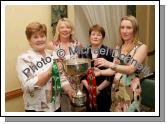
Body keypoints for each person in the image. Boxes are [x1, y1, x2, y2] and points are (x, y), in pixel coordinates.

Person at [94, 15, 148, 112]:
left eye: (128, 28)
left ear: (135, 30)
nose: (125, 31)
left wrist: (109, 64)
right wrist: (100, 72)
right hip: (116, 90)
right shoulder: (118, 47)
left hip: (131, 92)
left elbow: (131, 69)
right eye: (122, 27)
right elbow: (114, 70)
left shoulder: (141, 47)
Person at [16, 22, 73, 112]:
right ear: (29, 39)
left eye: (42, 36)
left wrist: (70, 91)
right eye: (35, 37)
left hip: (56, 105)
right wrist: (49, 72)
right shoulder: (24, 59)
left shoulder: (52, 54)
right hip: (37, 109)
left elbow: (61, 77)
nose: (40, 39)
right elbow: (28, 86)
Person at [47, 18, 82, 111]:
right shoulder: (52, 45)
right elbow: (52, 67)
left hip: (76, 83)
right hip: (59, 84)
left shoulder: (77, 44)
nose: (65, 30)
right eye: (62, 27)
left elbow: (81, 64)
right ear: (58, 30)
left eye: (68, 27)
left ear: (71, 30)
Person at [81, 24, 114, 112]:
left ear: (103, 37)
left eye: (99, 35)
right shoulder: (83, 52)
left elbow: (111, 74)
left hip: (104, 91)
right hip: (88, 90)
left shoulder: (110, 52)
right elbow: (81, 74)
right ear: (89, 36)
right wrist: (89, 88)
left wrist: (98, 89)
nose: (95, 37)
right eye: (93, 34)